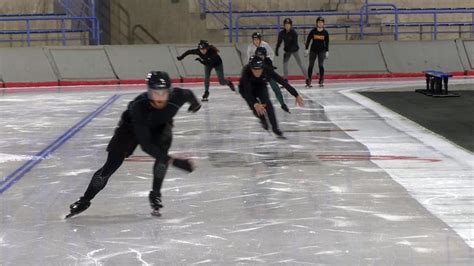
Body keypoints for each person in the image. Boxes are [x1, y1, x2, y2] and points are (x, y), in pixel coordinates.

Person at [67, 71, 201, 218]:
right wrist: (175, 162)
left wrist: (195, 105)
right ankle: (85, 200)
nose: (160, 98)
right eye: (155, 93)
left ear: (170, 91)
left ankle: (155, 194)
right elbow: (146, 145)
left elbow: (189, 94)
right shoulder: (139, 106)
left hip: (159, 126)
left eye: (164, 93)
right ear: (149, 92)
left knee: (162, 151)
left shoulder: (178, 96)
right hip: (131, 127)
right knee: (111, 165)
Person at [239, 56, 305, 139]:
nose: (257, 72)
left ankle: (275, 128)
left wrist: (296, 94)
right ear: (250, 68)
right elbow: (248, 92)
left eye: (260, 69)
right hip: (246, 89)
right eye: (255, 70)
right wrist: (255, 104)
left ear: (263, 67)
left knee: (268, 104)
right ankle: (262, 119)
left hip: (261, 86)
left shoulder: (267, 69)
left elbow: (281, 81)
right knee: (256, 108)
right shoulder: (246, 72)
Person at [254, 46, 290, 113]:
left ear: (265, 55)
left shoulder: (268, 60)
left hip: (268, 75)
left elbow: (271, 72)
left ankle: (282, 104)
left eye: (261, 55)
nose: (260, 57)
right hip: (260, 77)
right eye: (258, 55)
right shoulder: (254, 60)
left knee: (276, 88)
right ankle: (259, 105)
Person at [275, 17, 309, 83]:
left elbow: (294, 43)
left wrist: (288, 51)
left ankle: (307, 78)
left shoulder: (294, 33)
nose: (287, 26)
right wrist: (277, 49)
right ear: (284, 25)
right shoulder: (282, 33)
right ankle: (285, 79)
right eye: (286, 25)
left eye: (288, 25)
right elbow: (279, 42)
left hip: (294, 50)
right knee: (285, 64)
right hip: (287, 50)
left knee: (300, 63)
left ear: (291, 25)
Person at [305, 16, 330, 87]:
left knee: (321, 65)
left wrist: (327, 51)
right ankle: (309, 80)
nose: (320, 24)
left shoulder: (325, 33)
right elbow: (308, 40)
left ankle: (321, 79)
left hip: (322, 51)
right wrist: (306, 49)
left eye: (321, 22)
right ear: (316, 23)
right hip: (313, 50)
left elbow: (327, 42)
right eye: (319, 22)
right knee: (310, 65)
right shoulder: (313, 31)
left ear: (323, 24)